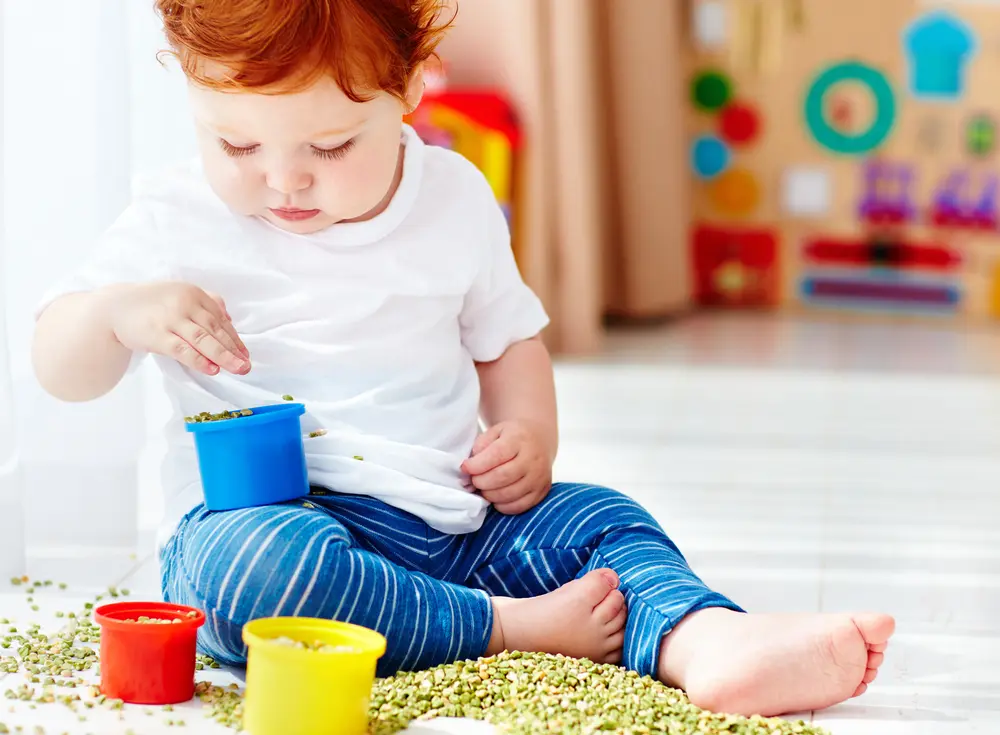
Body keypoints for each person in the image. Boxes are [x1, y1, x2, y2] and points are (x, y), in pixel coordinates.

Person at [31, 0, 894, 718]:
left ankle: (706, 639)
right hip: (272, 520)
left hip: (454, 524)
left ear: (408, 88)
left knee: (602, 518)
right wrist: (118, 312)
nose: (284, 181)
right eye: (238, 146)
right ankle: (506, 628)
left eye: (329, 147)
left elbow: (507, 340)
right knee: (254, 571)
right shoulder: (173, 218)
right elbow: (61, 366)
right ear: (191, 93)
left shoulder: (451, 197)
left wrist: (527, 433)